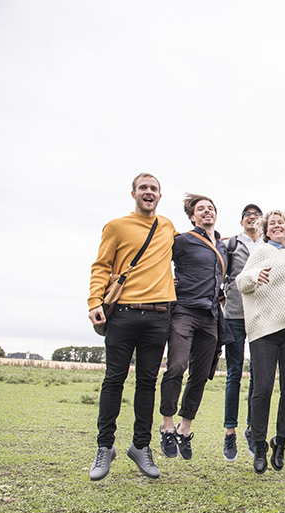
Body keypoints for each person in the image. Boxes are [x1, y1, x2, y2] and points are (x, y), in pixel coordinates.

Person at [87, 173, 176, 481]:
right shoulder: (116, 226)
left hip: (158, 316)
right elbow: (100, 266)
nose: (148, 192)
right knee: (114, 380)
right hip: (123, 314)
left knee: (147, 383)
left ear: (160, 196)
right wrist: (94, 302)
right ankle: (105, 447)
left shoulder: (167, 227)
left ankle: (141, 447)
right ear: (134, 193)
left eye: (153, 189)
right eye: (143, 188)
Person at [158, 193, 228, 461]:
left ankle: (184, 429)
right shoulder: (184, 240)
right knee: (176, 367)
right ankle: (166, 424)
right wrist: (169, 285)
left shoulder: (222, 246)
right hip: (184, 312)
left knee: (200, 375)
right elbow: (159, 260)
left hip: (210, 316)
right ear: (192, 216)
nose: (207, 212)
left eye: (211, 208)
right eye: (201, 209)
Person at [236, 210, 285, 474]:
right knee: (262, 389)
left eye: (282, 223)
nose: (277, 226)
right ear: (266, 230)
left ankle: (281, 443)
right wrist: (255, 277)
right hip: (264, 330)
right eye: (272, 224)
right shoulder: (262, 251)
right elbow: (241, 281)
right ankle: (259, 445)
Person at [221, 204, 263, 461]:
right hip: (235, 313)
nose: (251, 219)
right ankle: (229, 433)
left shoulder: (268, 244)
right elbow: (220, 270)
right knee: (234, 374)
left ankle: (251, 428)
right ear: (241, 222)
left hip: (260, 315)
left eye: (256, 216)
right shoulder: (232, 244)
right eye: (247, 216)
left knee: (257, 375)